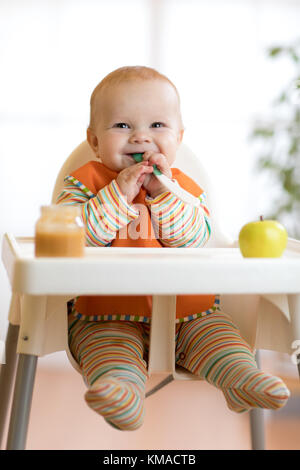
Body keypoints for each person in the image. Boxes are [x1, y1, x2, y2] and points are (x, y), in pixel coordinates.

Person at [57, 66, 290, 431]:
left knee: (220, 339)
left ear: (178, 138)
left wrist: (164, 195)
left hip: (190, 314)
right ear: (94, 141)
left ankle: (241, 379)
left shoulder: (184, 188)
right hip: (106, 312)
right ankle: (123, 395)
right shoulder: (84, 184)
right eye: (121, 126)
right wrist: (118, 194)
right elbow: (70, 235)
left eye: (157, 126)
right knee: (109, 351)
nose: (140, 138)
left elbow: (198, 238)